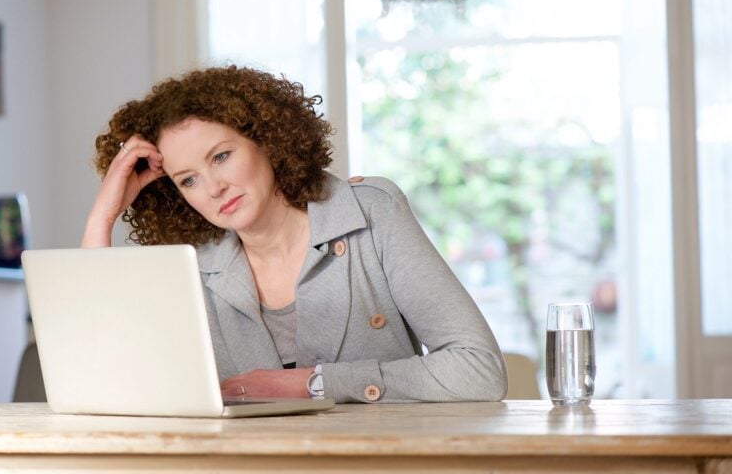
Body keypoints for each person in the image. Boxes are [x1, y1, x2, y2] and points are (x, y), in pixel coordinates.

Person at [82, 65, 507, 403]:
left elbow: (479, 370)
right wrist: (104, 216)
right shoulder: (191, 262)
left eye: (222, 156)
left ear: (266, 141)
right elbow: (109, 382)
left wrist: (315, 384)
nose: (213, 188)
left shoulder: (370, 211)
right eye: (188, 179)